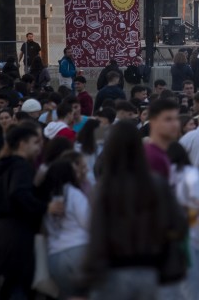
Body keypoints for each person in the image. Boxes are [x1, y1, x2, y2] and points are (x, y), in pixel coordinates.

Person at [80, 121, 187, 299]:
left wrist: (86, 279)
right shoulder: (157, 184)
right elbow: (178, 225)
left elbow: (97, 234)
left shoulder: (104, 188)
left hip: (112, 272)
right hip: (150, 270)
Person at [0, 125, 52, 299]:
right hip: (15, 239)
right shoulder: (21, 166)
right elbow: (19, 193)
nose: (39, 147)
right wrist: (45, 207)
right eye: (35, 142)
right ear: (22, 144)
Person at [167, 143, 199, 300]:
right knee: (196, 287)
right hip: (191, 236)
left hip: (166, 239)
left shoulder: (160, 173)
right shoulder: (189, 173)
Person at [44, 157, 90, 300]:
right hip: (79, 250)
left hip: (54, 256)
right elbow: (89, 222)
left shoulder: (45, 198)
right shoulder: (74, 194)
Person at [146, 98, 181, 179]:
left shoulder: (161, 154)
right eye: (168, 119)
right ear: (153, 122)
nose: (175, 124)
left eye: (176, 119)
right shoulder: (153, 157)